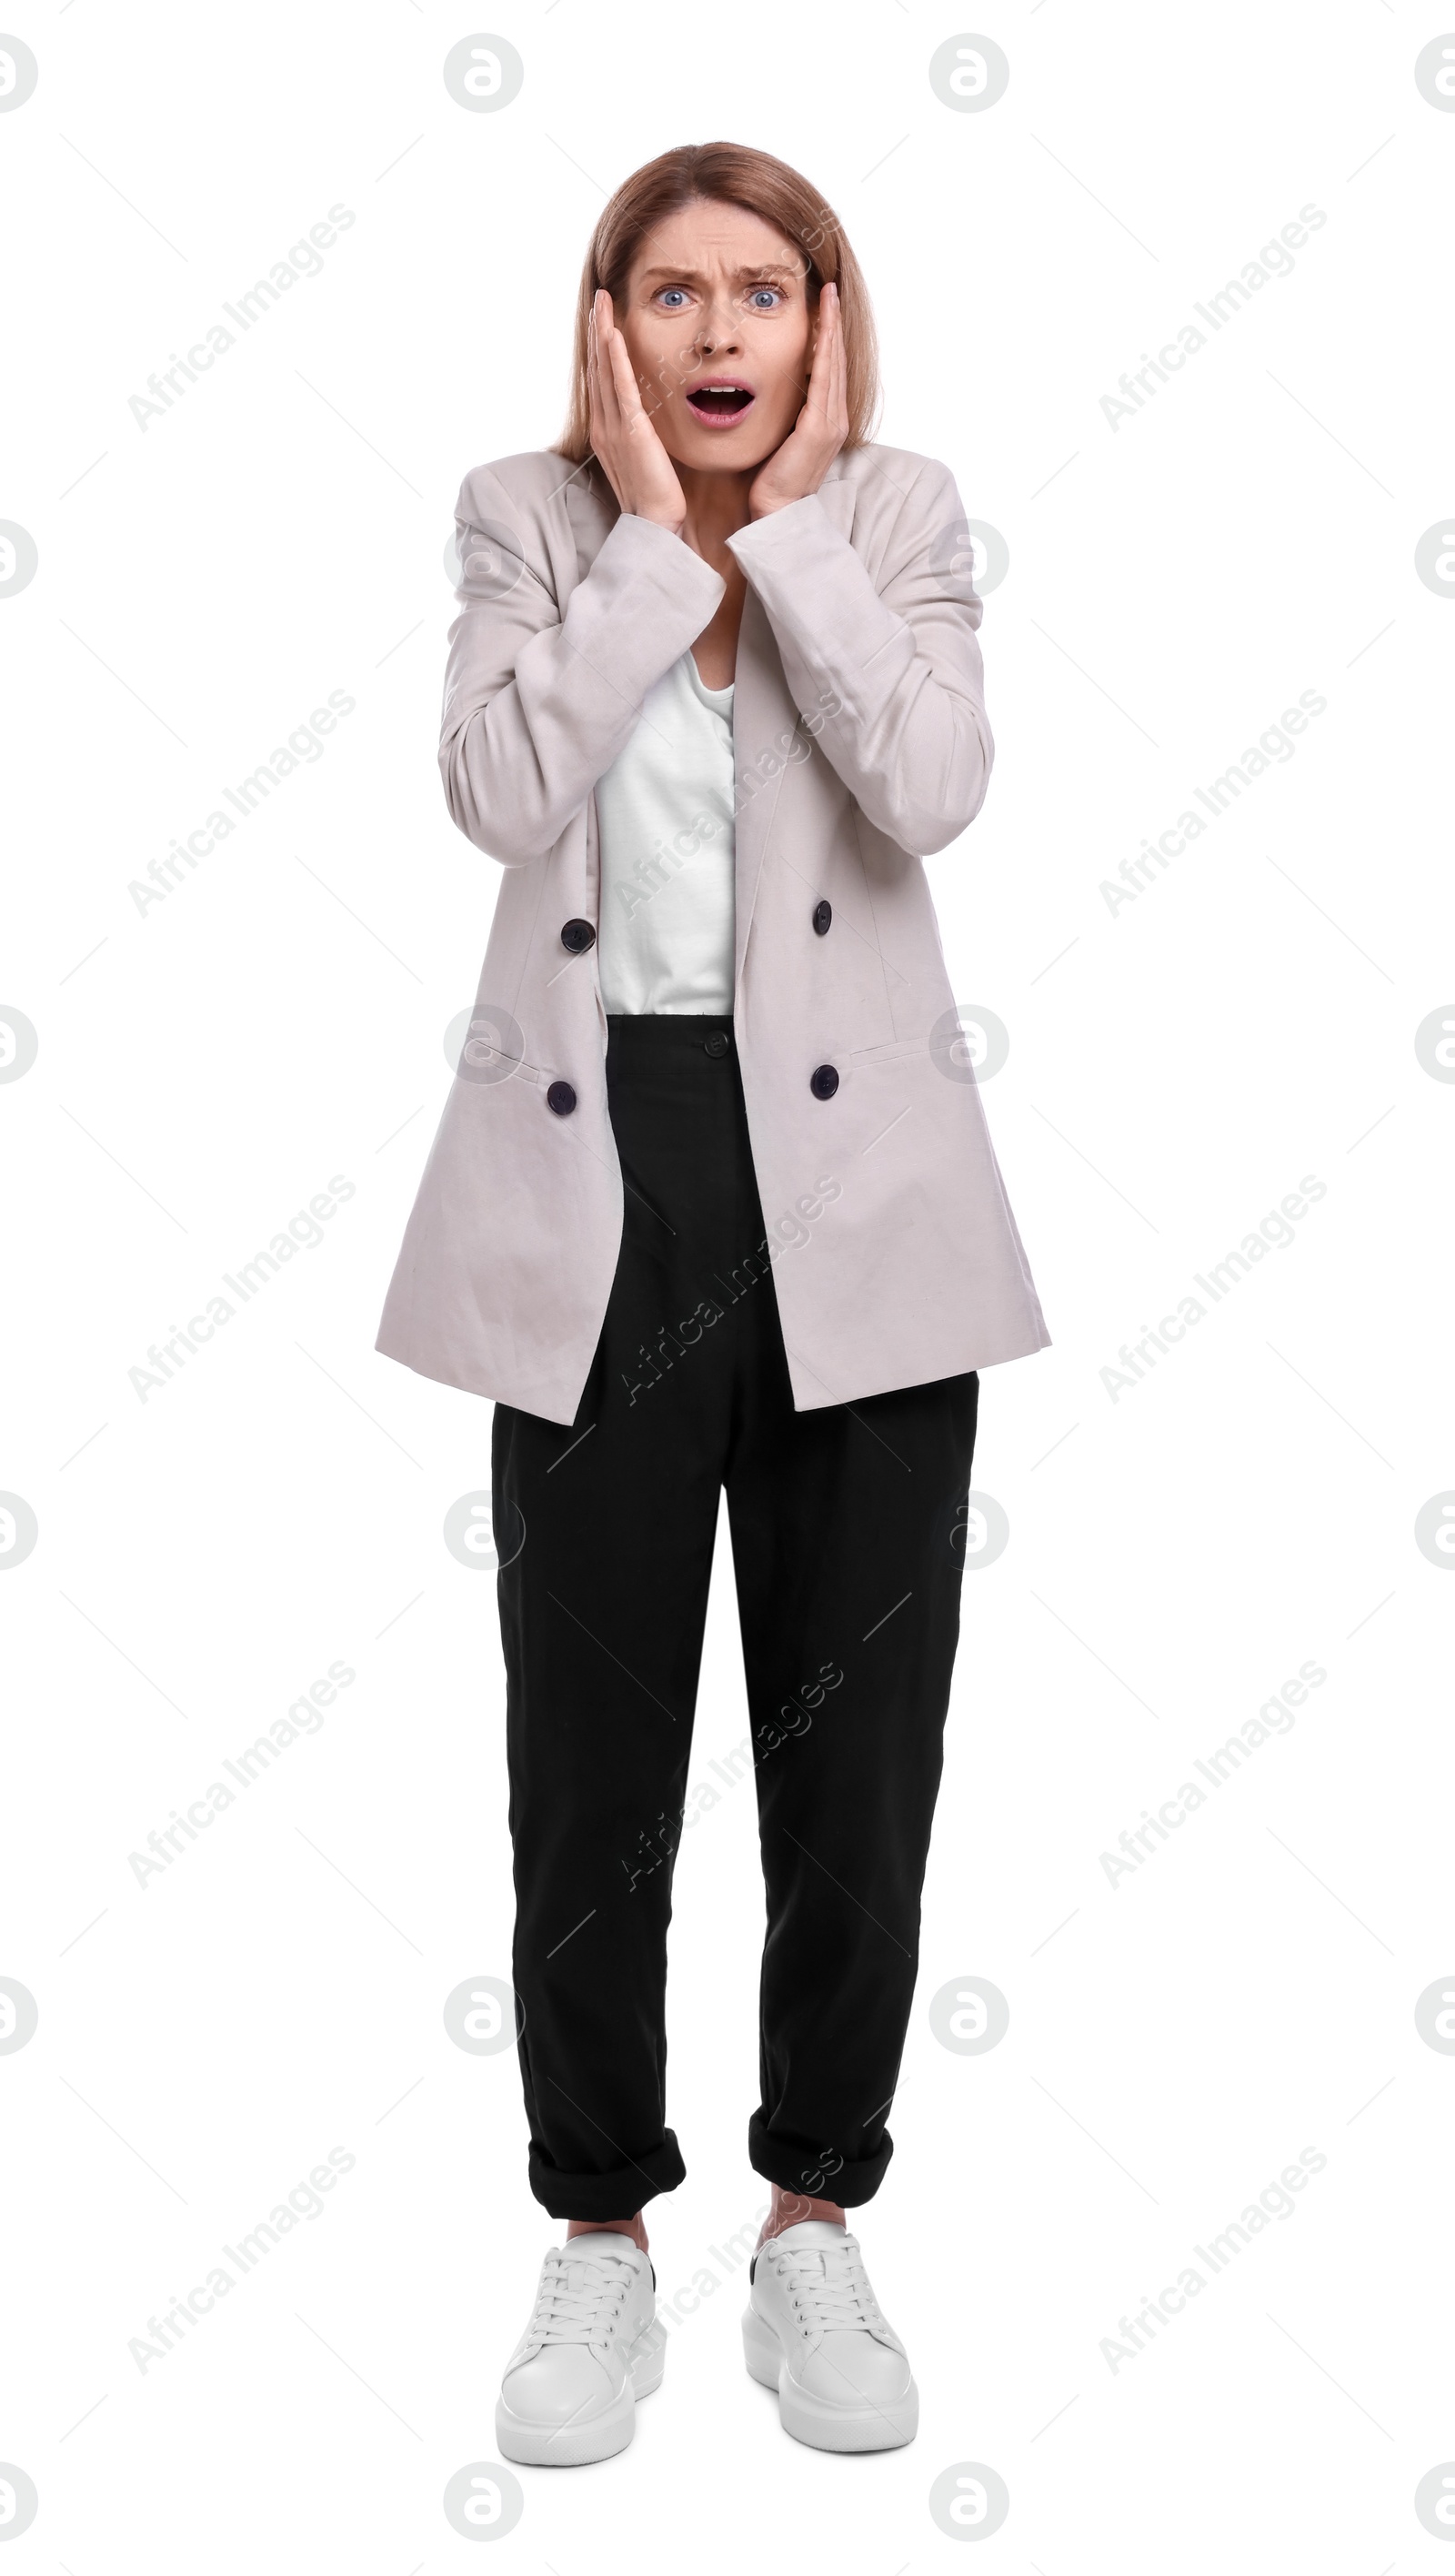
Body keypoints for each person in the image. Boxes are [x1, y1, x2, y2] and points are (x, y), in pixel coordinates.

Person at [376, 139, 1049, 2464]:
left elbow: (933, 782)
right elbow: (491, 785)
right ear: (606, 324)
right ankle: (592, 2237)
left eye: (763, 291)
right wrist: (656, 535)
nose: (719, 335)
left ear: (826, 318)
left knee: (849, 1758)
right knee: (591, 1763)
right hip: (600, 1187)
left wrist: (781, 539)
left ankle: (808, 2225)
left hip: (856, 1192)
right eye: (670, 294)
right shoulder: (525, 517)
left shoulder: (897, 517)